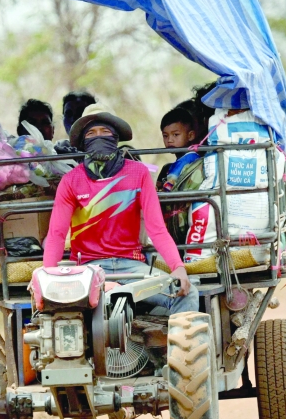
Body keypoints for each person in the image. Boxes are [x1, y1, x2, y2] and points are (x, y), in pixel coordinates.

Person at [43, 104, 197, 314]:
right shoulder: (71, 180)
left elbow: (157, 229)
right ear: (83, 141)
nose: (99, 137)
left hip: (133, 267)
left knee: (187, 293)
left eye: (105, 132)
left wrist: (178, 268)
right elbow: (56, 234)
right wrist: (48, 277)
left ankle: (173, 345)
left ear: (116, 137)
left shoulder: (138, 173)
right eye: (91, 133)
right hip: (89, 269)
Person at [157, 107, 200, 191]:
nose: (169, 140)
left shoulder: (186, 160)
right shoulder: (191, 157)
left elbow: (169, 186)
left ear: (190, 135)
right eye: (165, 136)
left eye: (176, 135)